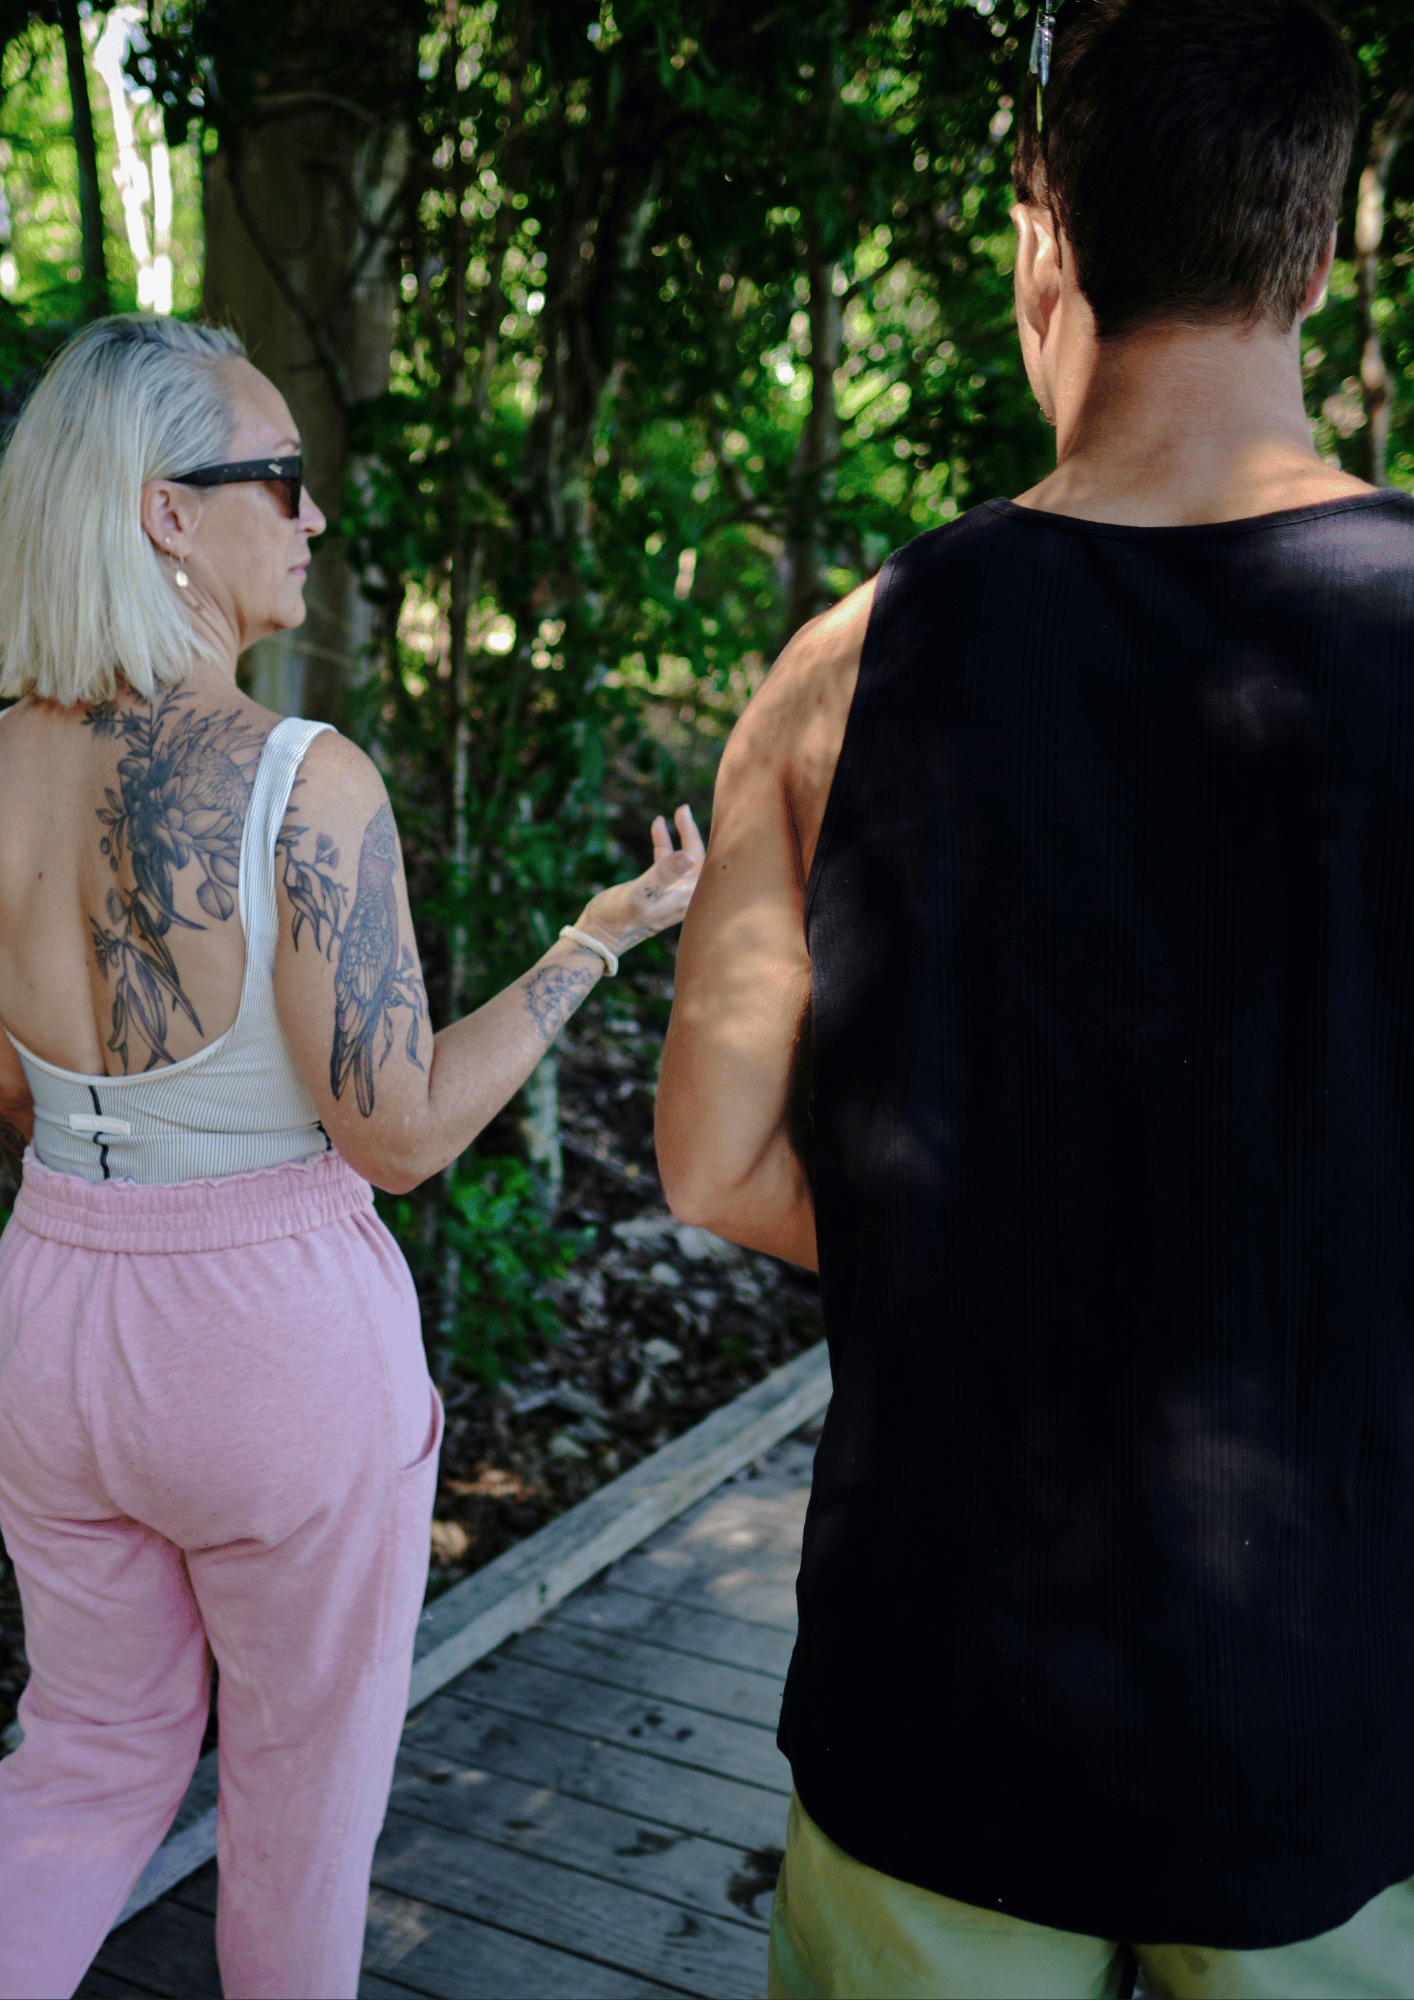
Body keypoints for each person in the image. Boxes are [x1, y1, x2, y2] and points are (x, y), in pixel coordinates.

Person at [654, 1, 1414, 1994]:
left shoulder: (836, 671)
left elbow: (713, 1163)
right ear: (1322, 249)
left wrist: (977, 1256)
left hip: (941, 1710)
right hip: (1334, 1708)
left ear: (1039, 239)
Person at [0, 314, 702, 2000]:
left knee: (86, 1761)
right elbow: (396, 1138)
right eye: (284, 481)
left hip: (52, 1321)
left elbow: (16, 1103)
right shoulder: (302, 782)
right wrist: (590, 947)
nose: (314, 519)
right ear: (170, 511)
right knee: (304, 1815)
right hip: (274, 1350)